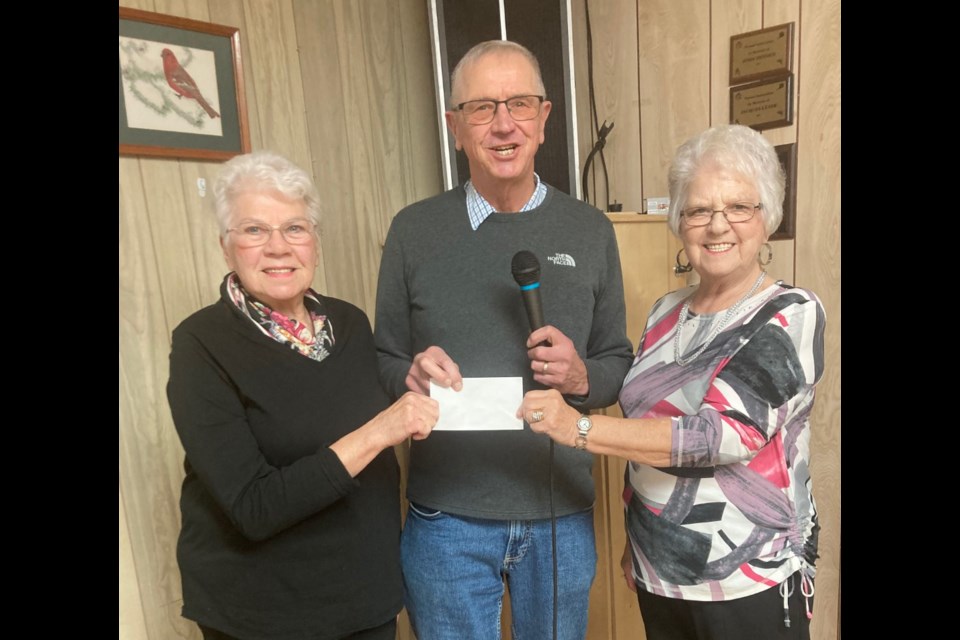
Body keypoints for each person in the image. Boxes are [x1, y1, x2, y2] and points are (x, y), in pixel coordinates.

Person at [519, 124, 825, 640]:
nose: (717, 225)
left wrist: (580, 429)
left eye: (738, 208)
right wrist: (638, 540)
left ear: (766, 218)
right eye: (698, 210)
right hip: (660, 569)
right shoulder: (666, 312)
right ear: (680, 224)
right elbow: (647, 425)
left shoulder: (790, 313)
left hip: (749, 578)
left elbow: (718, 436)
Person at [374, 40, 633, 639]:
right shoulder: (414, 231)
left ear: (544, 118)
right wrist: (409, 377)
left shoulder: (589, 229)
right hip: (447, 518)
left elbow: (617, 361)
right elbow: (385, 357)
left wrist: (580, 378)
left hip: (558, 512)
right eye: (483, 107)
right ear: (456, 127)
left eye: (519, 103)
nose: (503, 123)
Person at [166, 151, 439, 640]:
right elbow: (253, 506)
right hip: (264, 613)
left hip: (365, 598)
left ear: (314, 243)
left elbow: (356, 407)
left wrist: (410, 378)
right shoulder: (199, 344)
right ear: (225, 247)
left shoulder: (350, 323)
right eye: (254, 230)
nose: (278, 247)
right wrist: (378, 432)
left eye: (294, 228)